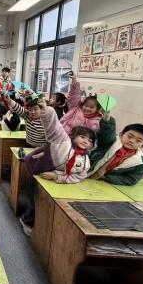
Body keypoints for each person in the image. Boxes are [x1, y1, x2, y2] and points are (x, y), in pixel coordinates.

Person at [19, 98, 96, 235]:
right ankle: (26, 220)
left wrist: (57, 176)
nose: (86, 141)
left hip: (59, 182)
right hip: (40, 173)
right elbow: (55, 128)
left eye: (90, 140)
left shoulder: (85, 159)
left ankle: (47, 230)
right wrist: (47, 112)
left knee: (52, 207)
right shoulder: (64, 142)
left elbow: (79, 176)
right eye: (83, 137)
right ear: (73, 136)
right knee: (35, 201)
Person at [87, 112, 143, 186]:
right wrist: (107, 120)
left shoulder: (141, 163)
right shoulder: (111, 141)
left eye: (138, 141)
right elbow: (107, 133)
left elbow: (131, 179)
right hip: (84, 173)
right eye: (129, 136)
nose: (132, 141)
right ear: (121, 134)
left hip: (105, 184)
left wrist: (106, 177)